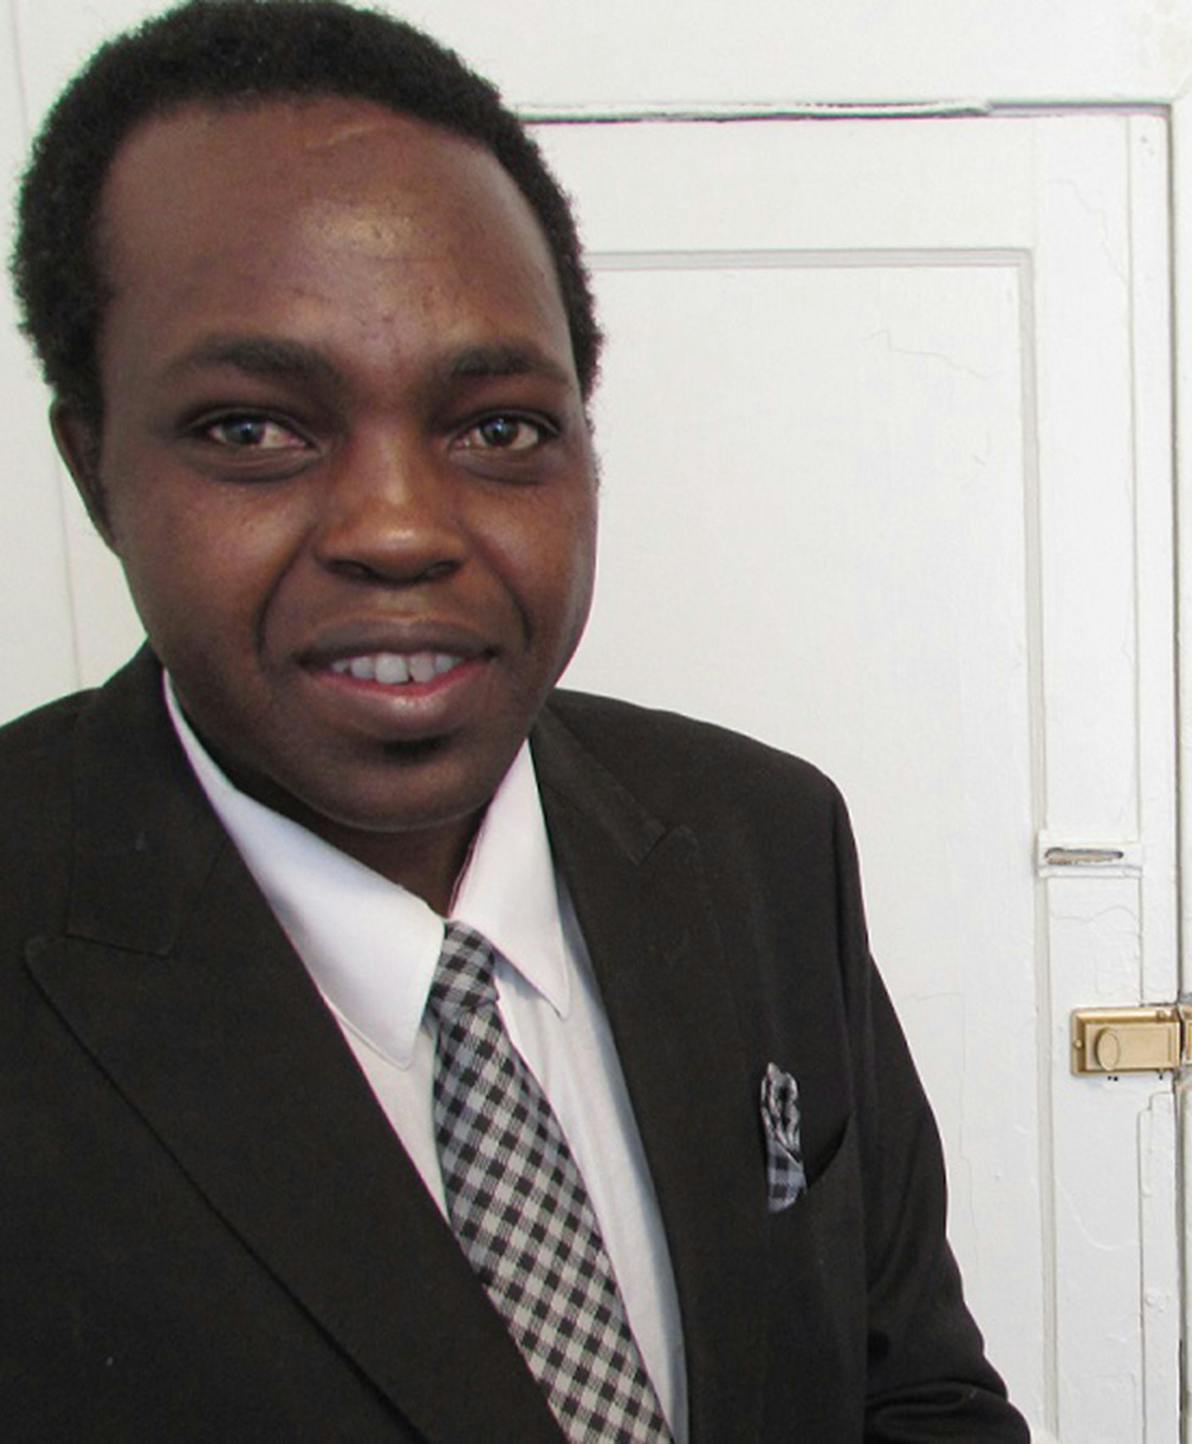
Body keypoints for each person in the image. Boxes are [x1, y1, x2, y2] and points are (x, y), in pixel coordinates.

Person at [0, 3, 1027, 1440]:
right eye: (253, 428)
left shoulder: (760, 839)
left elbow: (910, 1387)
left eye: (496, 427)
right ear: (96, 463)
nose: (401, 530)